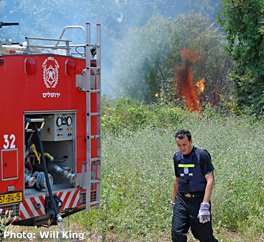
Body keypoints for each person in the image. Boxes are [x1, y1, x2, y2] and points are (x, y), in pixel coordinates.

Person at [171, 129, 218, 242]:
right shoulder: (177, 157)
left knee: (204, 236)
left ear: (191, 141)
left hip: (198, 201)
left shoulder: (202, 155)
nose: (182, 148)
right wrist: (174, 201)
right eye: (179, 145)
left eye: (184, 145)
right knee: (176, 232)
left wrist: (205, 205)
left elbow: (210, 180)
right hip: (182, 200)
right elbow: (177, 180)